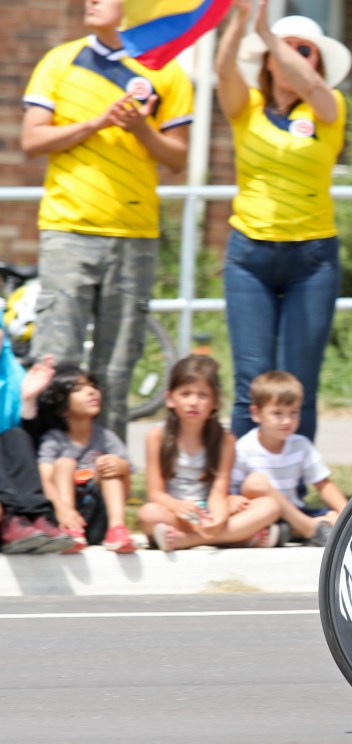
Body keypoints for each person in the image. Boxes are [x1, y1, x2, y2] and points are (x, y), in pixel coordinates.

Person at [20, 0, 194, 441]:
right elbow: (31, 139)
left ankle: (106, 482)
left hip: (134, 236)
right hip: (67, 231)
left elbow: (178, 158)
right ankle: (42, 480)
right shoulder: (59, 60)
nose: (90, 1)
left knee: (116, 368)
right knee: (54, 362)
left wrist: (140, 129)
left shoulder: (166, 69)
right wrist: (98, 122)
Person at [215, 0, 352, 441]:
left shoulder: (327, 107)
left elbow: (310, 84)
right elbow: (222, 71)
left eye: (304, 49)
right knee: (250, 382)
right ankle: (241, 488)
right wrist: (241, 24)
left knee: (299, 383)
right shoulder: (248, 106)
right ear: (267, 63)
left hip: (311, 259)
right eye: (285, 50)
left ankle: (295, 490)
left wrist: (270, 35)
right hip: (248, 256)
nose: (294, 57)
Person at [137, 356, 281, 551]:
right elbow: (155, 493)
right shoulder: (157, 436)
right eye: (185, 394)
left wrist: (219, 518)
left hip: (209, 511)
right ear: (170, 398)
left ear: (214, 401)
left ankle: (185, 540)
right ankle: (236, 538)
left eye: (202, 395)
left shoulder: (225, 440)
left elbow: (218, 491)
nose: (193, 402)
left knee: (270, 506)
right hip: (175, 513)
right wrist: (178, 507)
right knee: (148, 514)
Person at [231, 370, 347, 547]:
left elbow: (323, 483)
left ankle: (292, 529)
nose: (286, 421)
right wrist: (233, 499)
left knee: (335, 518)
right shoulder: (245, 448)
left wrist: (347, 513)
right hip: (261, 513)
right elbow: (232, 489)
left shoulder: (301, 445)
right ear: (256, 413)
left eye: (293, 412)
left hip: (294, 513)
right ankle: (309, 530)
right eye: (277, 413)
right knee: (255, 483)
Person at [35, 364, 135, 553]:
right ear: (62, 409)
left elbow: (125, 490)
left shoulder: (106, 438)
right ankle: (71, 530)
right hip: (62, 517)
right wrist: (62, 509)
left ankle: (117, 529)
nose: (91, 392)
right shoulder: (54, 439)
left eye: (92, 386)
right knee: (64, 463)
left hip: (98, 520)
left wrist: (123, 469)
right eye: (79, 389)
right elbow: (45, 480)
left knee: (111, 465)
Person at [0, 329, 72, 555]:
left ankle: (35, 518)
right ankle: (12, 520)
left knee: (16, 436)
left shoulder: (10, 375)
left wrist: (28, 401)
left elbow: (29, 443)